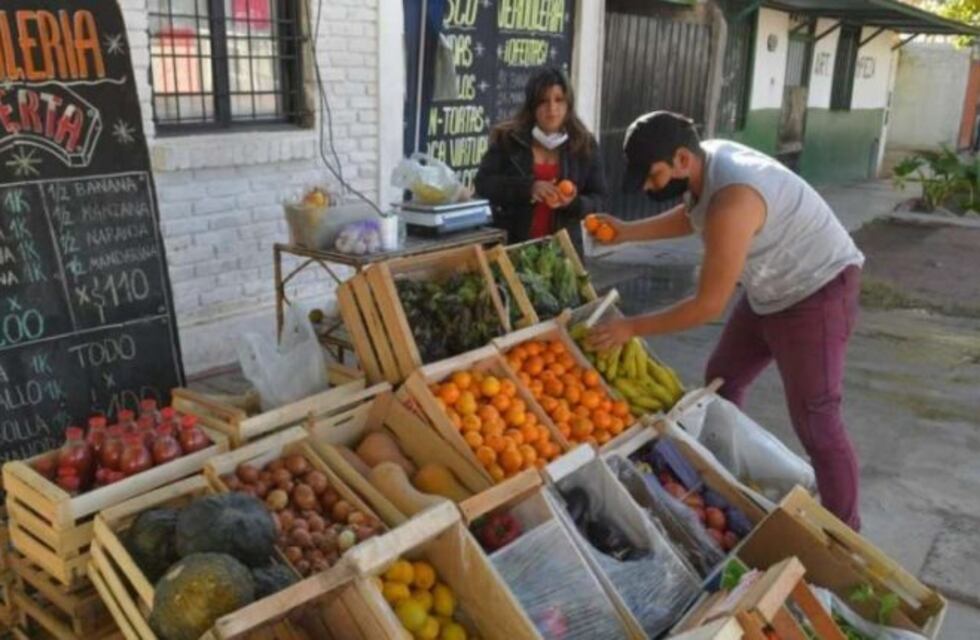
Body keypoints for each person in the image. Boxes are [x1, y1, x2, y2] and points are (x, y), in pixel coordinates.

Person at [588, 111, 865, 530]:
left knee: (816, 419)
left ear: (682, 159)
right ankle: (725, 479)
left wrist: (630, 328)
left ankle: (845, 537)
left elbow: (707, 306)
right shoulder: (706, 166)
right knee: (724, 378)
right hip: (770, 287)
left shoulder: (734, 199)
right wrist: (628, 231)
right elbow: (693, 216)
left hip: (816, 291)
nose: (648, 187)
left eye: (655, 176)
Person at [475, 67, 606, 243]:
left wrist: (573, 203)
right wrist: (528, 188)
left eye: (559, 100)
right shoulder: (508, 139)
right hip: (512, 247)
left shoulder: (584, 145)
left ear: (569, 104)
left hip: (562, 254)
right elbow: (483, 184)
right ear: (532, 105)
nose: (552, 108)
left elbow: (599, 200)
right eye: (543, 101)